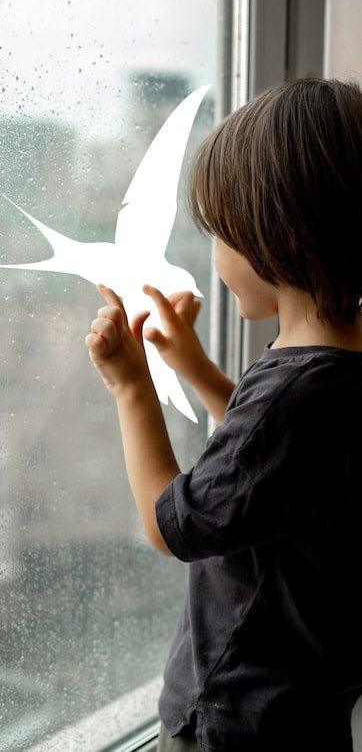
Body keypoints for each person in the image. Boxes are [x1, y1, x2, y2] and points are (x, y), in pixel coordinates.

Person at [84, 77, 362, 751]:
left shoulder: (290, 399)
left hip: (237, 719)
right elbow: (279, 469)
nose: (213, 257)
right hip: (310, 706)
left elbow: (170, 525)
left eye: (219, 235)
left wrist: (133, 390)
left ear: (276, 236)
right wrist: (197, 371)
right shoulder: (334, 373)